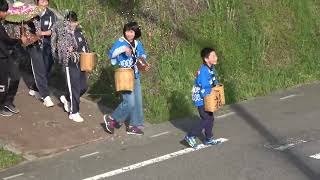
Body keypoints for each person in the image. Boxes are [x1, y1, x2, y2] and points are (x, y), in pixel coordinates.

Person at [104, 22, 148, 135]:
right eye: (127, 31)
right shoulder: (121, 42)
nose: (129, 33)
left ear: (135, 33)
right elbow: (111, 54)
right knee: (130, 102)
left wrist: (143, 62)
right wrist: (123, 49)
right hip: (124, 76)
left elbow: (142, 55)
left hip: (135, 75)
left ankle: (134, 125)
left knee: (137, 101)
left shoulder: (137, 44)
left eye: (132, 31)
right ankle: (112, 119)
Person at [52, 11, 89, 122]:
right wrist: (68, 50)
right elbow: (60, 50)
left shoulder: (80, 32)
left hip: (82, 63)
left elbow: (85, 46)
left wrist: (88, 60)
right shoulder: (63, 34)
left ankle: (67, 98)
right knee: (75, 88)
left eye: (73, 22)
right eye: (69, 21)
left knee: (83, 87)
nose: (71, 24)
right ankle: (74, 112)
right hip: (70, 63)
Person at [185, 47, 221, 148]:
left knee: (210, 118)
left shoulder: (211, 68)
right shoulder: (203, 71)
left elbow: (214, 80)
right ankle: (190, 136)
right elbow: (205, 86)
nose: (216, 57)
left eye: (215, 55)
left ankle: (208, 138)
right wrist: (214, 90)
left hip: (209, 97)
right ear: (206, 59)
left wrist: (217, 86)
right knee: (205, 118)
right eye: (213, 56)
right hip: (201, 97)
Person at [0, 0, 26, 116]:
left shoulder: (10, 21)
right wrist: (20, 40)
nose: (6, 13)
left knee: (15, 77)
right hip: (2, 56)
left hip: (9, 54)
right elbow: (6, 39)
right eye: (4, 11)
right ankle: (1, 106)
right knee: (2, 84)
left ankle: (8, 101)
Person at [28, 0, 56, 107]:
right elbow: (26, 30)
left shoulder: (50, 14)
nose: (43, 4)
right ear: (37, 2)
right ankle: (45, 96)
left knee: (47, 67)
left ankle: (35, 88)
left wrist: (42, 33)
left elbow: (53, 30)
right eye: (41, 1)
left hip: (47, 44)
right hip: (34, 45)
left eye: (45, 1)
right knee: (39, 67)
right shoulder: (31, 14)